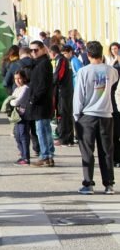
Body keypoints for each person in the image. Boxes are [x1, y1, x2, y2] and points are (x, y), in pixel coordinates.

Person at [74, 42, 118, 194]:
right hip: (106, 114)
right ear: (102, 53)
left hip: (88, 114)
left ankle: (88, 184)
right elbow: (112, 90)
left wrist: (76, 115)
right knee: (106, 151)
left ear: (88, 54)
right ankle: (109, 184)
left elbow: (79, 95)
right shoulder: (112, 71)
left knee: (87, 151)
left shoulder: (84, 71)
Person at [28, 41, 56, 167]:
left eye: (36, 50)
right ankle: (48, 155)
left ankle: (45, 155)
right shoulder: (38, 63)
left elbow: (43, 85)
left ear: (43, 49)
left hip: (41, 103)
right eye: (31, 50)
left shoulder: (44, 64)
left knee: (42, 130)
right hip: (42, 102)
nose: (33, 52)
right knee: (45, 129)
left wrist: (33, 99)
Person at [50, 45, 75, 147]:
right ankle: (68, 138)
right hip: (66, 90)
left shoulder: (61, 60)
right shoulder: (63, 60)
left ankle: (64, 138)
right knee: (66, 114)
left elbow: (58, 75)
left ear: (53, 53)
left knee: (63, 114)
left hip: (63, 91)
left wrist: (51, 84)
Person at [11, 70, 32, 165]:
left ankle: (26, 157)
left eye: (19, 78)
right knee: (17, 135)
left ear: (24, 78)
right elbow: (12, 99)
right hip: (17, 115)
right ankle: (22, 154)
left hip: (24, 114)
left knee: (23, 135)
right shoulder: (16, 89)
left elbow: (16, 101)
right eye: (15, 78)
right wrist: (12, 101)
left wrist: (12, 101)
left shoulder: (25, 88)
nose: (17, 80)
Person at [110, 42, 120, 168]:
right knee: (114, 135)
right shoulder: (113, 70)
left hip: (115, 106)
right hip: (114, 107)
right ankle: (115, 158)